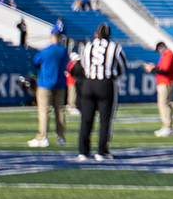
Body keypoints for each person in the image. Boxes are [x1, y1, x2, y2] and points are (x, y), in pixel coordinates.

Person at [73, 23, 126, 162]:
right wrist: (111, 75)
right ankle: (102, 151)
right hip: (105, 83)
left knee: (86, 119)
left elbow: (84, 65)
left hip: (89, 83)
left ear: (96, 33)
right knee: (105, 120)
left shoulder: (88, 46)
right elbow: (122, 67)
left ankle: (83, 152)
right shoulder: (114, 47)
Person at [29, 30, 70, 148]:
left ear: (51, 36)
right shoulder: (63, 50)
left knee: (44, 111)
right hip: (60, 83)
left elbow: (35, 62)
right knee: (60, 110)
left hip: (45, 84)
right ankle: (61, 136)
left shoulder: (46, 50)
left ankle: (43, 137)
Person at [142, 41, 173, 137]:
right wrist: (154, 67)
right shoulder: (166, 55)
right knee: (164, 104)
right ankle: (167, 126)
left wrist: (152, 69)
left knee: (164, 104)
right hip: (164, 82)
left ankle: (168, 127)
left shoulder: (168, 54)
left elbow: (164, 71)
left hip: (166, 82)